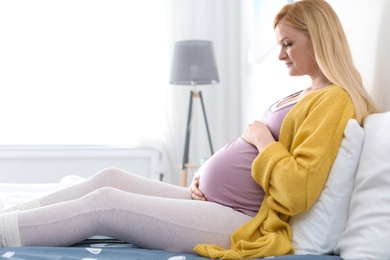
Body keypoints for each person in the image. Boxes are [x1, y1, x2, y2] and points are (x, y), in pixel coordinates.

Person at [0, 0, 380, 258]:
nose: (281, 54)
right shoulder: (304, 92)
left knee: (106, 205)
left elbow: (297, 190)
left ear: (320, 39)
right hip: (211, 200)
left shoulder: (335, 100)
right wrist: (205, 174)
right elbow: (247, 151)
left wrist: (262, 138)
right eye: (279, 44)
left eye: (288, 44)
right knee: (109, 176)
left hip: (242, 220)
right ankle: (9, 217)